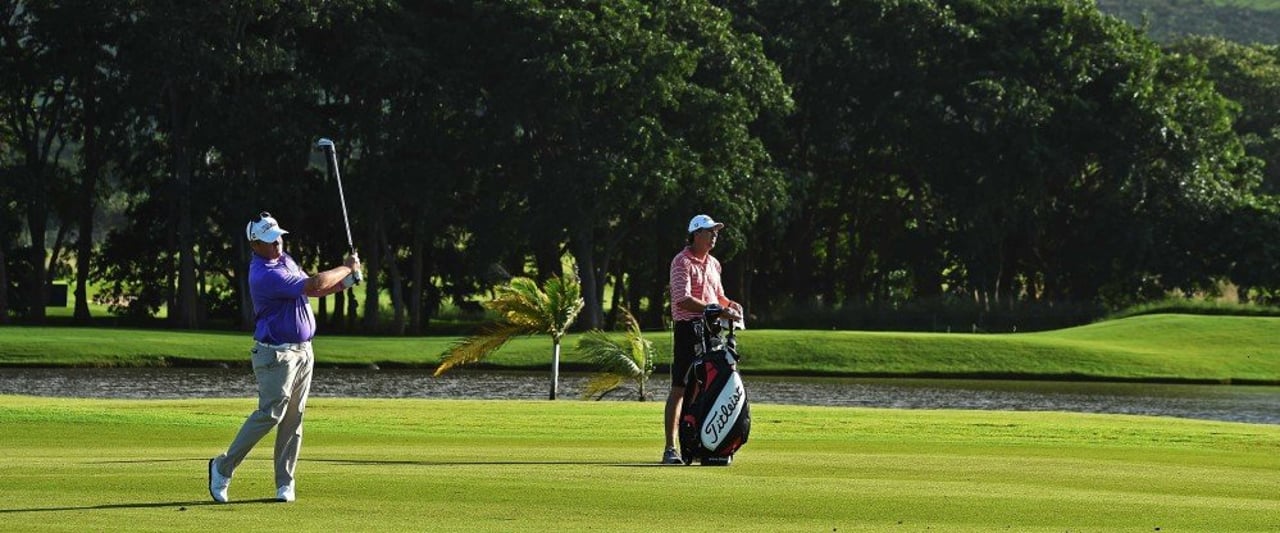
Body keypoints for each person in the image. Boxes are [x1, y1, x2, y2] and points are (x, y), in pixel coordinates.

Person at [208, 211, 361, 503]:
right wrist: (346, 266)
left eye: (278, 237)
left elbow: (314, 292)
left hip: (303, 351)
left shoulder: (285, 260)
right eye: (269, 240)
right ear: (255, 245)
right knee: (270, 414)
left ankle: (284, 483)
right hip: (276, 354)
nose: (277, 243)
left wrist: (347, 281)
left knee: (294, 418)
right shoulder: (265, 274)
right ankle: (222, 467)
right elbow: (314, 283)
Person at [663, 214, 743, 464]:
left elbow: (718, 295)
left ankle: (702, 444)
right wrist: (717, 309)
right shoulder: (681, 262)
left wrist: (730, 305)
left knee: (708, 387)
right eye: (710, 231)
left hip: (711, 330)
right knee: (680, 388)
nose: (714, 235)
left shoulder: (714, 264)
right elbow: (682, 299)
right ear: (696, 234)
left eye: (716, 231)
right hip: (689, 329)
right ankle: (670, 449)